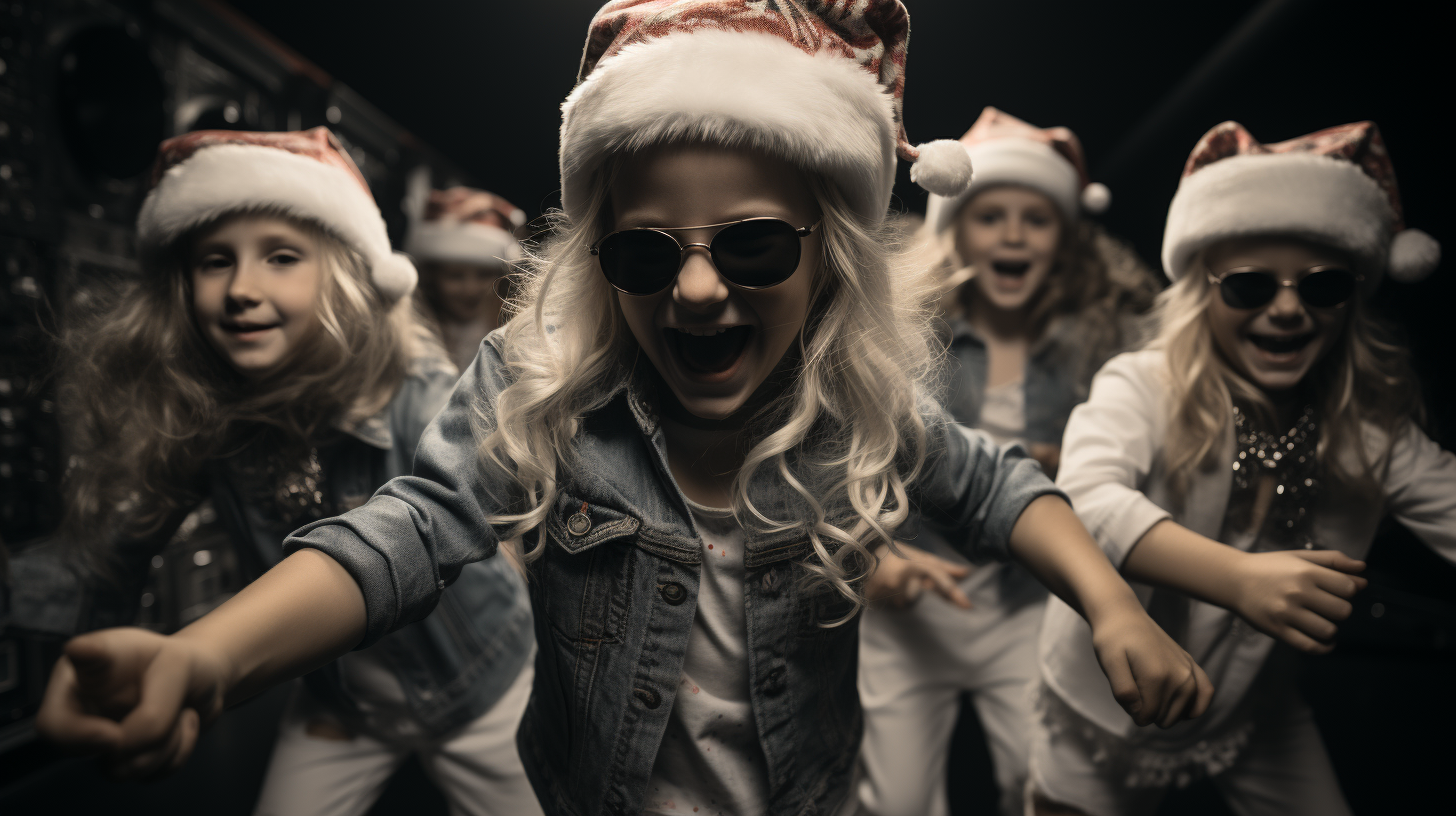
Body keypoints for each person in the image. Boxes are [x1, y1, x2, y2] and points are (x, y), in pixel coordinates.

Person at [37, 5, 1212, 816]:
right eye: (646, 254)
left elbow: (999, 486)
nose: (697, 289)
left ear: (832, 256)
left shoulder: (855, 403)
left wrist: (1110, 602)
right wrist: (202, 659)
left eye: (751, 245)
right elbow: (407, 528)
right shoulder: (542, 390)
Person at [34, 128, 540, 816]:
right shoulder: (205, 419)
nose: (242, 287)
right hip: (343, 702)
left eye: (280, 257)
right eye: (215, 261)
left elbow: (441, 520)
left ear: (340, 279)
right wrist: (84, 652)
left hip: (477, 688)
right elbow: (118, 545)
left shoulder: (417, 395)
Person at [1029, 120, 1453, 816]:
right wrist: (1240, 579)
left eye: (1322, 287)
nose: (1287, 309)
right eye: (1251, 286)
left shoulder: (1370, 433)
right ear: (1204, 290)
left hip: (1253, 708)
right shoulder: (1142, 384)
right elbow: (1083, 502)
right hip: (1100, 705)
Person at [857, 107, 1159, 816]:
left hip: (1029, 607)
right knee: (894, 801)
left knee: (1040, 779)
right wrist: (876, 559)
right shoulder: (905, 337)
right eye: (992, 217)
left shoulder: (1098, 347)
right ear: (954, 231)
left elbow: (1130, 463)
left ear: (1066, 240)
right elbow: (854, 454)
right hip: (912, 609)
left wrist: (1072, 465)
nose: (1015, 235)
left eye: (1037, 218)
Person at [406, 186, 528, 373]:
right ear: (433, 276)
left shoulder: (518, 338)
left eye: (484, 275)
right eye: (455, 276)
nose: (470, 289)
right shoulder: (409, 338)